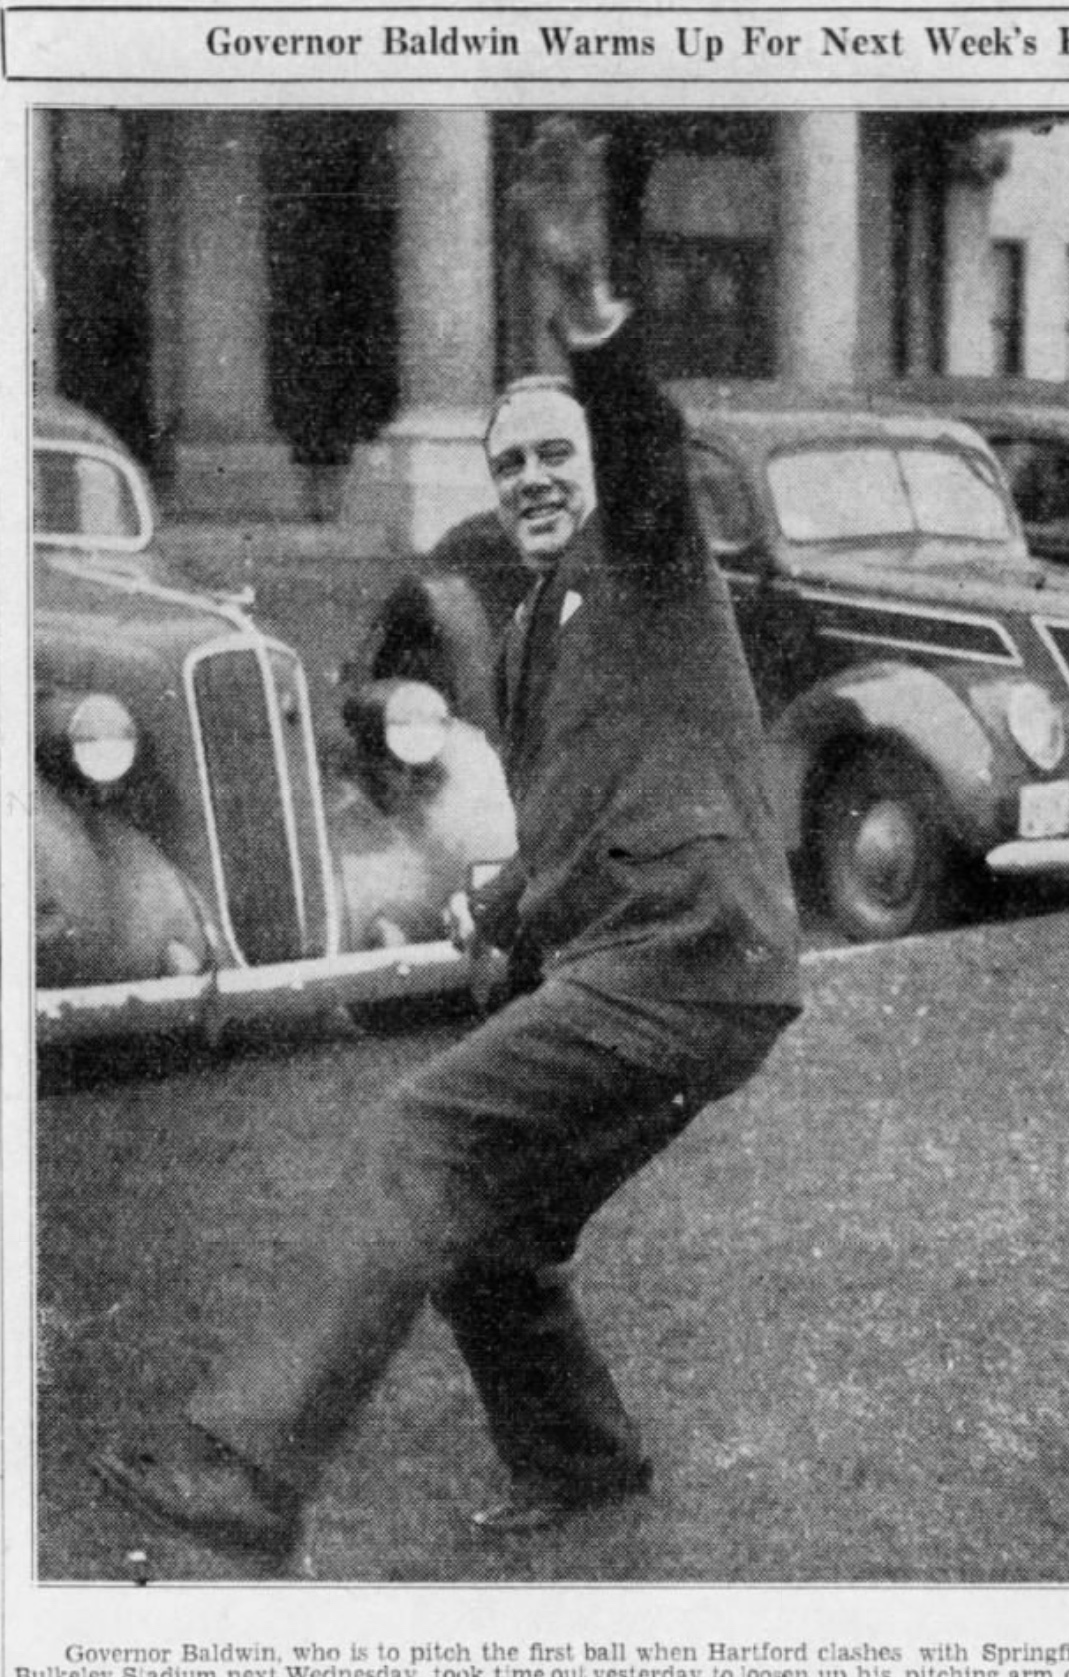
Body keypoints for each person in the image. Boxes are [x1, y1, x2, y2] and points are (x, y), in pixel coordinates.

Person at [94, 188, 803, 1557]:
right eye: (512, 464)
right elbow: (570, 831)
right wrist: (496, 905)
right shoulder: (542, 625)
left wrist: (591, 317)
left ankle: (248, 1467)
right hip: (686, 976)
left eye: (556, 453)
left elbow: (647, 442)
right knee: (492, 1231)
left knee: (421, 1136)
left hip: (683, 956)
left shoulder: (647, 557)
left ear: (598, 467)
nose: (535, 478)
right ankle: (582, 1464)